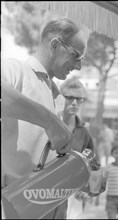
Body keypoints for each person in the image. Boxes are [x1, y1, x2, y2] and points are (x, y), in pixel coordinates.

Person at [1, 17, 88, 219]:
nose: (78, 66)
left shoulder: (56, 94)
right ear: (55, 45)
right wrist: (50, 120)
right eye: (76, 56)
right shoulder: (16, 70)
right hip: (15, 207)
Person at [58, 77, 101, 218]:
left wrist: (93, 187)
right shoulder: (49, 124)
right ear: (59, 97)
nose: (75, 103)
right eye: (69, 98)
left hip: (74, 195)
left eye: (79, 99)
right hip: (46, 191)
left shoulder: (84, 131)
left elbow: (94, 163)